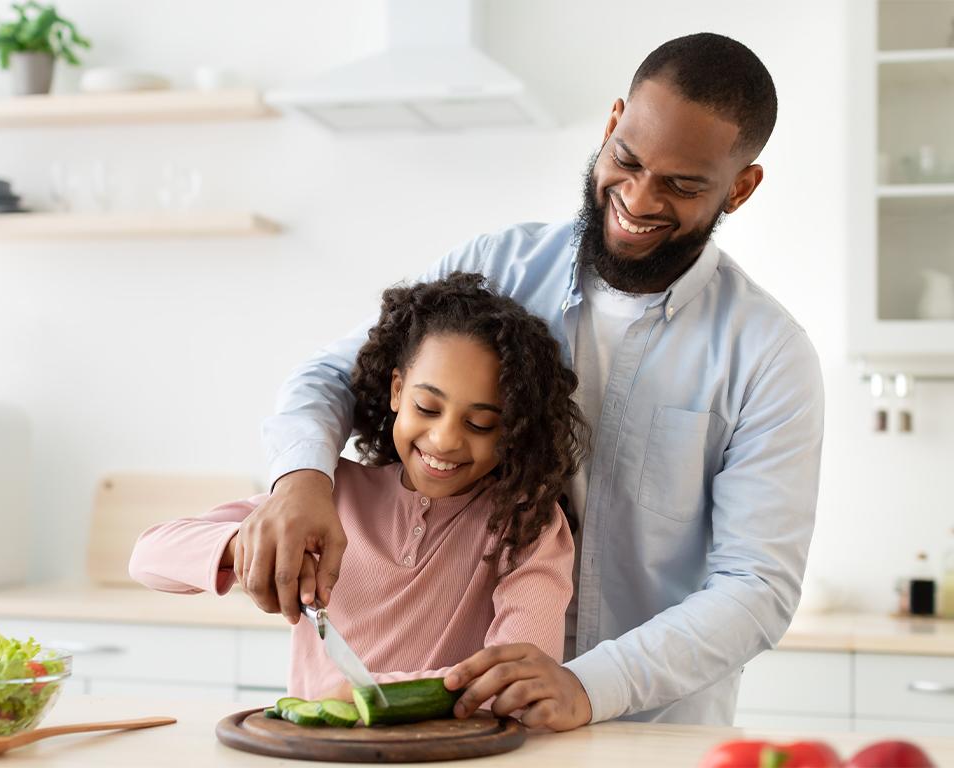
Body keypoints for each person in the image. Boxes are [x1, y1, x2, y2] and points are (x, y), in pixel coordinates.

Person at [241, 32, 825, 730]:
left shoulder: (768, 356)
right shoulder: (496, 267)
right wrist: (302, 480)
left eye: (681, 184)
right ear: (611, 124)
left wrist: (589, 684)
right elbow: (332, 375)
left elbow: (756, 587)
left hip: (651, 734)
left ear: (741, 187)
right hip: (476, 728)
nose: (637, 198)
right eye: (627, 160)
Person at [129, 273, 588, 699]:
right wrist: (248, 546)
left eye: (481, 423)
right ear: (396, 390)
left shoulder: (528, 525)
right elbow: (149, 557)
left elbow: (520, 676)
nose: (445, 439)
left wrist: (366, 694)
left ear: (513, 428)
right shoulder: (329, 496)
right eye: (427, 408)